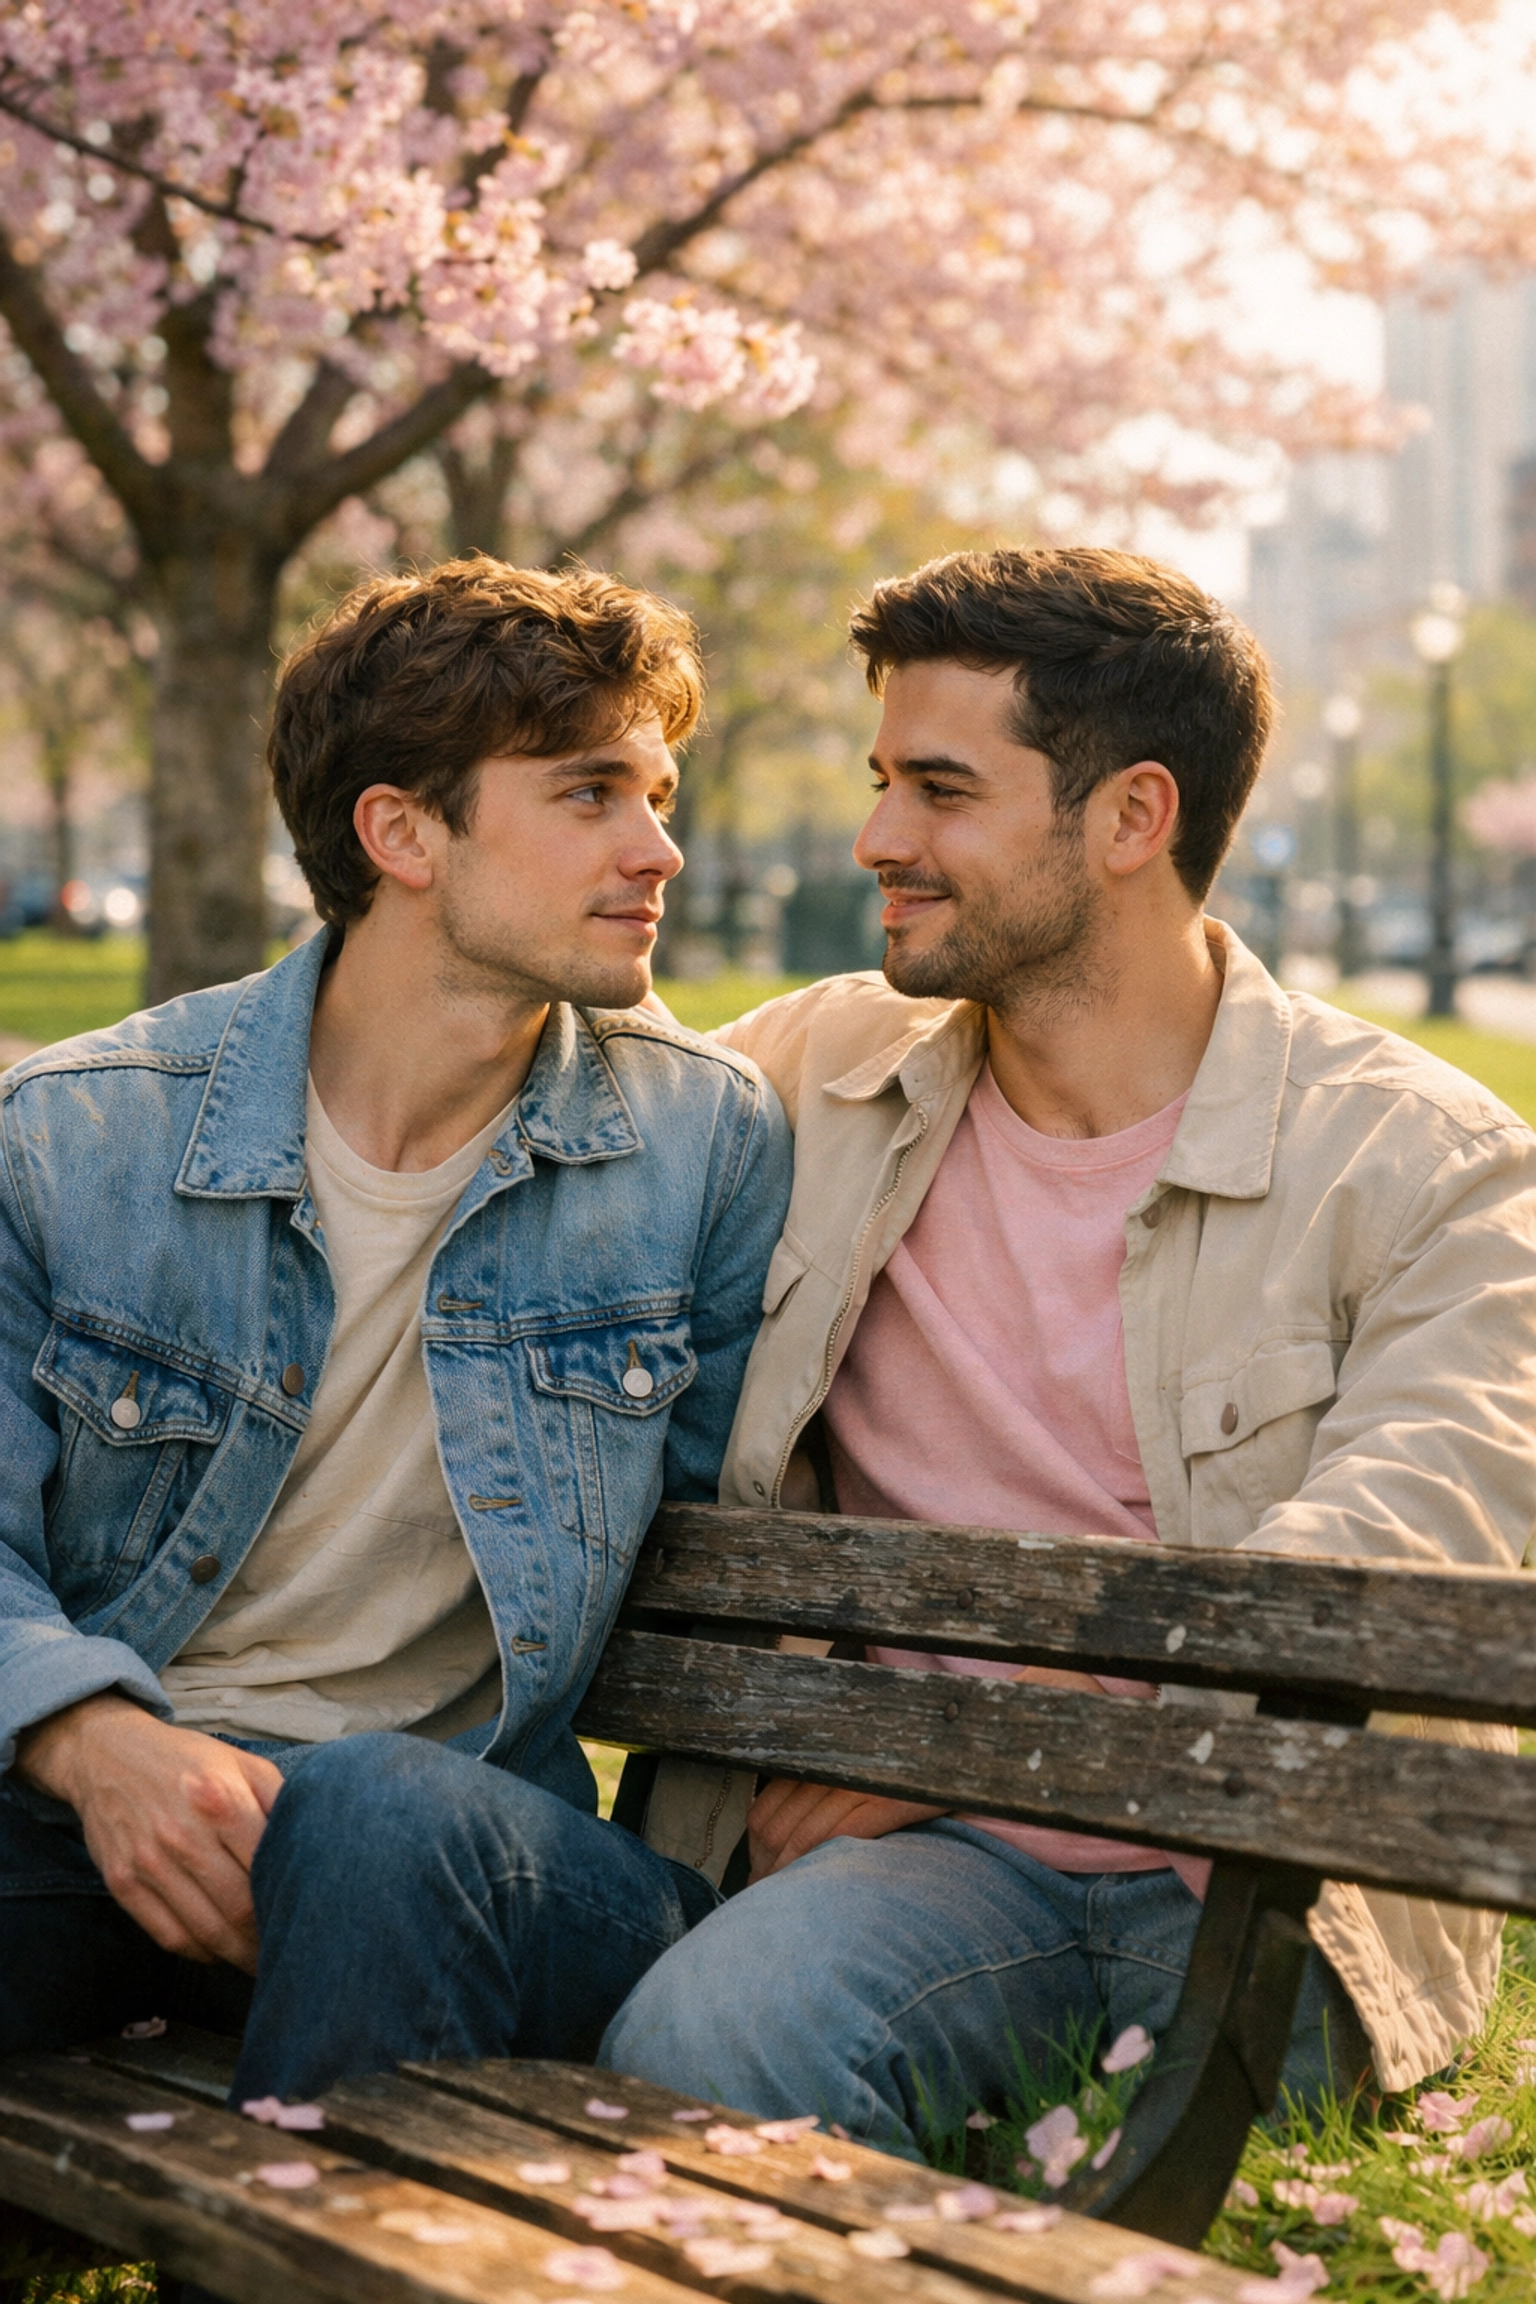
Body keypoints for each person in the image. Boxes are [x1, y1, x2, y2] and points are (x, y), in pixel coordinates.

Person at [602, 545, 1536, 2156]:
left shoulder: (1427, 1165)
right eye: (883, 778)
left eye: (941, 789)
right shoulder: (816, 1073)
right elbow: (529, 1128)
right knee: (700, 2039)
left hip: (1256, 1890)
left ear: (1131, 819)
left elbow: (1387, 1549)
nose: (876, 838)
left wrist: (947, 1741)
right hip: (926, 1873)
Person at [0, 556, 789, 2102]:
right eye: (590, 795)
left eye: (659, 792)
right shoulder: (72, 1136)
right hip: (113, 1823)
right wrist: (96, 1746)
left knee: (367, 1811)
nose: (659, 849)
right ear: (400, 831)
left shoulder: (701, 1142)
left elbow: (732, 1510)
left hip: (463, 1843)